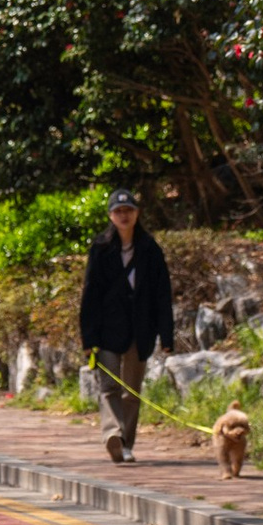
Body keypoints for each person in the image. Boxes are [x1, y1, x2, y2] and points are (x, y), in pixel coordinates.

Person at [78, 183, 176, 463]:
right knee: (109, 386)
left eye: (128, 210)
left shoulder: (150, 248)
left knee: (132, 391)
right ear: (110, 216)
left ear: (137, 214)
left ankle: (126, 443)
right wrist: (88, 338)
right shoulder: (101, 248)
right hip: (106, 331)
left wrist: (166, 336)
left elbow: (162, 294)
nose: (123, 216)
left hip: (141, 331)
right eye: (118, 211)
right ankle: (112, 433)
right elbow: (90, 294)